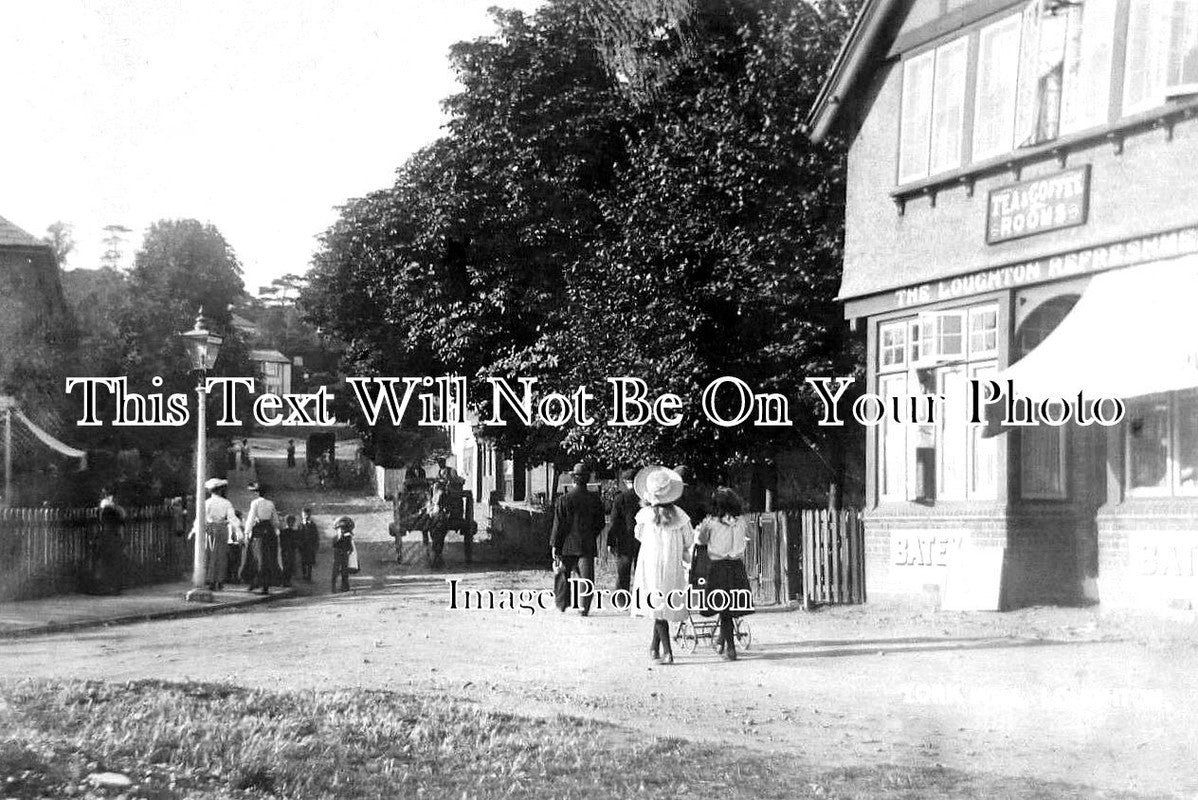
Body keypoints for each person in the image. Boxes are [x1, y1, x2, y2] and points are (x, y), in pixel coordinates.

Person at [630, 466, 694, 665]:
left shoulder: (645, 515)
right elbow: (689, 540)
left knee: (656, 607)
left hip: (650, 562)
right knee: (662, 605)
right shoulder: (681, 517)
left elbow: (638, 535)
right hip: (671, 564)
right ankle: (654, 647)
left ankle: (667, 651)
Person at [696, 487, 755, 661]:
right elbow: (750, 536)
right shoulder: (741, 521)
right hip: (736, 565)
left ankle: (730, 648)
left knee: (723, 608)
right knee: (731, 606)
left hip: (718, 566)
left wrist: (704, 530)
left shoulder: (711, 522)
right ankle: (722, 641)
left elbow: (701, 540)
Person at [550, 463, 605, 616]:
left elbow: (558, 525)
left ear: (573, 479)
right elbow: (600, 523)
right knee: (586, 578)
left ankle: (562, 604)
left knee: (563, 574)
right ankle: (584, 609)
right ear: (587, 480)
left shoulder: (564, 500)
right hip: (586, 544)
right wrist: (590, 534)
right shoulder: (595, 500)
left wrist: (555, 544)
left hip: (567, 544)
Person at [189, 478, 238, 592]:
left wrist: (194, 530)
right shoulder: (226, 503)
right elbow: (232, 518)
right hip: (221, 528)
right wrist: (238, 528)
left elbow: (200, 519)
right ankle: (220, 581)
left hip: (210, 528)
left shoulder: (206, 503)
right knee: (221, 555)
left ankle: (211, 580)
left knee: (211, 554)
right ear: (220, 490)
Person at [605, 469, 642, 608]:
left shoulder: (620, 498)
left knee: (623, 573)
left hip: (624, 539)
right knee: (641, 571)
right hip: (641, 540)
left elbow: (614, 522)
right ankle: (641, 601)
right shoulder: (645, 498)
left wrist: (610, 541)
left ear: (626, 482)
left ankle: (622, 601)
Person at [241, 482, 282, 594]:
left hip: (258, 531)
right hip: (268, 531)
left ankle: (254, 582)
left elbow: (251, 518)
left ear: (257, 493)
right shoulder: (271, 504)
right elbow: (275, 520)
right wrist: (275, 528)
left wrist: (247, 531)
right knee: (268, 557)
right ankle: (265, 584)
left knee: (255, 556)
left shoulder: (255, 503)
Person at [92, 489, 126, 595]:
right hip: (113, 537)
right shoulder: (116, 511)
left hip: (109, 537)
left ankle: (108, 586)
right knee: (112, 562)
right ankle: (113, 587)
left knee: (108, 562)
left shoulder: (109, 511)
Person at [331, 515, 355, 593]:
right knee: (335, 571)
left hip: (344, 556)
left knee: (345, 571)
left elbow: (350, 547)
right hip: (337, 556)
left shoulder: (347, 537)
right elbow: (334, 545)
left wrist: (348, 551)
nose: (341, 530)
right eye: (340, 529)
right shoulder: (335, 538)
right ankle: (333, 586)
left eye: (343, 529)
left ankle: (345, 586)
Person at [298, 507, 319, 581]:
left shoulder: (313, 525)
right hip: (302, 546)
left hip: (310, 546)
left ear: (310, 515)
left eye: (307, 515)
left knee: (310, 561)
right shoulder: (300, 525)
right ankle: (304, 575)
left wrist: (316, 545)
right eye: (304, 515)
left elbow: (316, 536)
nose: (306, 517)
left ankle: (309, 575)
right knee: (303, 561)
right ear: (302, 515)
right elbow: (298, 535)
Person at [279, 513, 299, 587]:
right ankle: (284, 581)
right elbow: (281, 542)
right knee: (285, 566)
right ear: (286, 522)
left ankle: (288, 580)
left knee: (290, 566)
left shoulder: (294, 532)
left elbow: (296, 541)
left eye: (292, 522)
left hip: (291, 551)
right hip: (285, 551)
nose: (291, 523)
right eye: (289, 522)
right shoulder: (283, 532)